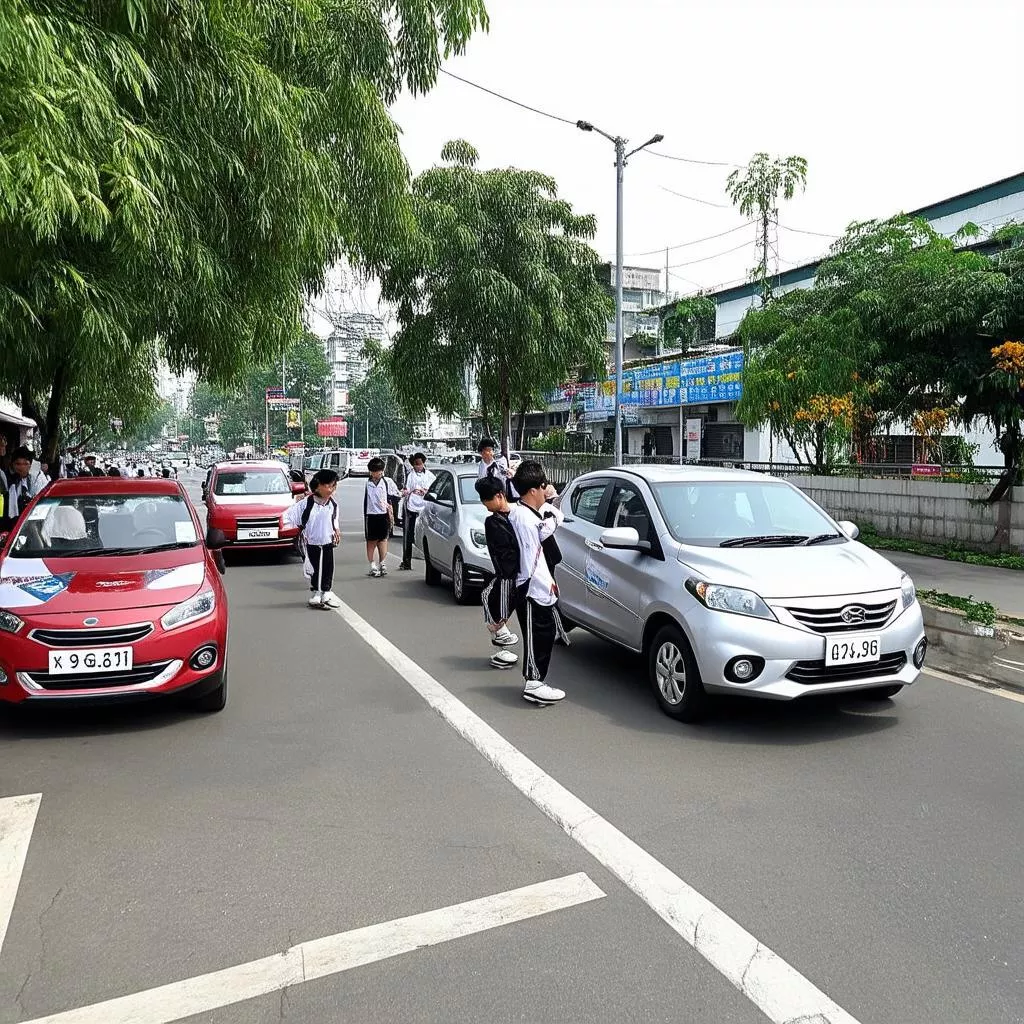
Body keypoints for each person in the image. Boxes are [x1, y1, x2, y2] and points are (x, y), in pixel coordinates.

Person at [508, 460, 570, 706]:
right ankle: (533, 682)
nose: (547, 490)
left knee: (545, 633)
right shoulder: (524, 518)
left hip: (540, 586)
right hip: (532, 589)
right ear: (533, 489)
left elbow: (555, 519)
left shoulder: (532, 513)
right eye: (544, 486)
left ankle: (537, 680)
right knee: (536, 635)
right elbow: (530, 556)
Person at [475, 477, 522, 669]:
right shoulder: (513, 515)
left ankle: (501, 633)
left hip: (509, 574)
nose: (484, 504)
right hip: (510, 573)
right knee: (490, 599)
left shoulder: (498, 520)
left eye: (486, 500)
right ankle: (502, 640)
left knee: (490, 599)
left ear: (499, 495)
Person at [283, 468, 341, 609]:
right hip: (312, 541)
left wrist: (336, 530)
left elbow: (334, 519)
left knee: (328, 566)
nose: (331, 489)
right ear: (318, 486)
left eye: (333, 486)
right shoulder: (307, 503)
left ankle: (326, 591)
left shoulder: (332, 504)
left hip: (327, 541)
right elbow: (291, 516)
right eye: (327, 486)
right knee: (315, 567)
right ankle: (316, 591)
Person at [398, 452, 434, 571]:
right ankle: (406, 561)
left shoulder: (430, 476)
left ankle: (431, 563)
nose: (418, 466)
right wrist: (408, 491)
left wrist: (426, 491)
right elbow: (407, 489)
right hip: (412, 507)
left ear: (423, 463)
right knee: (408, 534)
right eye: (415, 464)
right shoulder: (410, 476)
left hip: (425, 508)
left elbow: (434, 490)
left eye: (419, 464)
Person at [364, 457, 398, 577]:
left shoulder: (387, 482)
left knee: (383, 539)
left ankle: (382, 563)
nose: (375, 474)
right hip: (371, 515)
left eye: (377, 471)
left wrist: (390, 506)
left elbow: (396, 494)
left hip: (383, 515)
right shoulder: (368, 483)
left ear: (382, 470)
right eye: (372, 471)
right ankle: (372, 565)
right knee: (371, 540)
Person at [2, 446, 48, 528]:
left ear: (30, 465)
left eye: (25, 464)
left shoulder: (37, 478)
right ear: (12, 464)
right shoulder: (10, 480)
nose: (22, 467)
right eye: (18, 464)